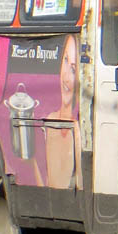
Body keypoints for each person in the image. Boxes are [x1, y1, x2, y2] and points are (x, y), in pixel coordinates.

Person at [42, 34, 81, 190]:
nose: (66, 76)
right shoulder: (48, 122)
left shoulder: (79, 131)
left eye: (73, 69)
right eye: (65, 61)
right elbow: (42, 186)